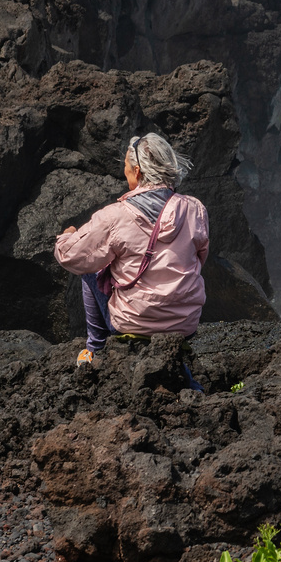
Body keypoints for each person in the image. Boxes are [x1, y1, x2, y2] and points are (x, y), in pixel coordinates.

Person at [54, 132, 211, 382]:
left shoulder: (116, 216)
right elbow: (199, 259)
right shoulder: (195, 209)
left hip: (134, 323)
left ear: (137, 172)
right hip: (185, 326)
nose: (124, 172)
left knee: (92, 264)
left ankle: (95, 348)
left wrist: (66, 237)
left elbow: (70, 257)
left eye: (126, 167)